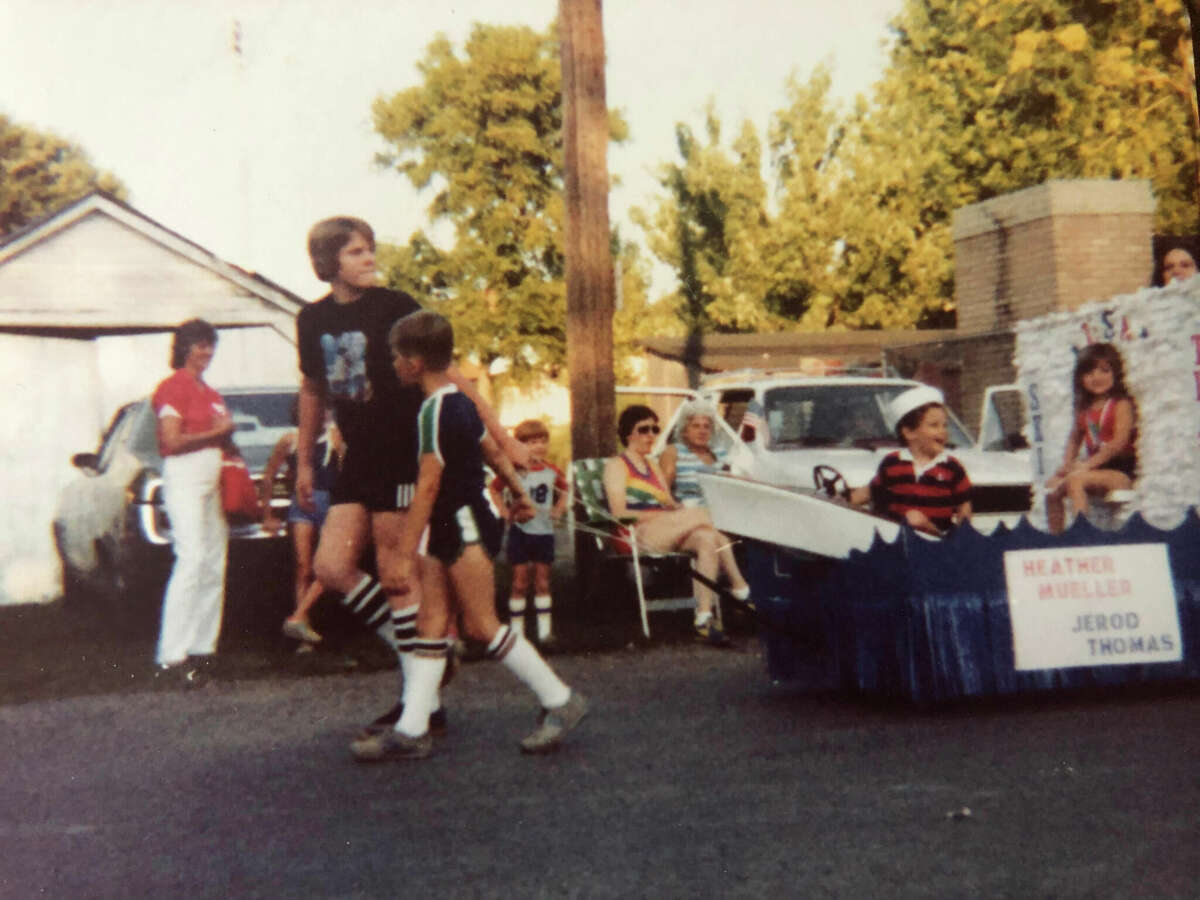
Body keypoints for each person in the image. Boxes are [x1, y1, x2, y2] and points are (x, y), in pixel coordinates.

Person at [295, 216, 528, 741]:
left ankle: (418, 701)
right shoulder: (311, 320)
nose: (369, 259)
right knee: (330, 567)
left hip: (404, 452)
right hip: (356, 457)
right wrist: (306, 462)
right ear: (329, 261)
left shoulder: (395, 306)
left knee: (397, 575)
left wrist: (502, 433)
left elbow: (449, 375)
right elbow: (313, 389)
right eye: (356, 252)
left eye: (370, 249)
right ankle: (428, 659)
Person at [351, 310, 587, 761]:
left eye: (397, 357)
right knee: (431, 624)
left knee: (481, 624)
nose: (394, 365)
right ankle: (412, 728)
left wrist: (402, 554)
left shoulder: (432, 411)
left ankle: (560, 699)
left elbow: (428, 486)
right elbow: (490, 449)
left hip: (461, 526)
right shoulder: (459, 400)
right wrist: (518, 492)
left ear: (416, 362)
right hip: (451, 526)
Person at [603, 404, 751, 646]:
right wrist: (665, 514)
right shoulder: (617, 466)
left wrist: (676, 510)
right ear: (629, 434)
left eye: (654, 429)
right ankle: (741, 588)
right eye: (644, 429)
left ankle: (703, 617)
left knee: (707, 537)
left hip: (664, 529)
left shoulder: (651, 466)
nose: (651, 435)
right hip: (635, 534)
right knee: (704, 516)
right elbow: (619, 513)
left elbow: (668, 502)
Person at [151, 318, 235, 684]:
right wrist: (217, 432)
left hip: (211, 477)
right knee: (191, 558)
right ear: (184, 347)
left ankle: (204, 646)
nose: (207, 352)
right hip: (184, 474)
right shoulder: (172, 387)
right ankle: (172, 654)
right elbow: (172, 440)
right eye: (201, 344)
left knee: (215, 561)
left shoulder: (211, 392)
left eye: (211, 345)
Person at [259, 399, 345, 647]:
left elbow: (345, 471)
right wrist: (267, 515)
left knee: (330, 565)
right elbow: (269, 476)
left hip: (330, 505)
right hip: (301, 505)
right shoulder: (290, 440)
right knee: (303, 567)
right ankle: (303, 630)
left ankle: (298, 616)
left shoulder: (333, 437)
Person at [848, 385, 973, 536]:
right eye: (934, 425)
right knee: (911, 519)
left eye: (945, 425)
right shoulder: (892, 463)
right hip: (899, 541)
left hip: (937, 543)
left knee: (915, 519)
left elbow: (964, 508)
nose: (943, 431)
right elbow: (869, 492)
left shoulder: (952, 467)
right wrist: (842, 499)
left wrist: (961, 540)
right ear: (909, 433)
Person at [488, 419, 567, 646]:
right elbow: (493, 489)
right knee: (519, 582)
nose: (539, 446)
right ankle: (517, 634)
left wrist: (558, 509)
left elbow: (564, 491)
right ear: (520, 445)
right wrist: (503, 511)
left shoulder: (552, 470)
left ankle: (544, 632)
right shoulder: (513, 469)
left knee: (542, 582)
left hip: (544, 532)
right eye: (532, 442)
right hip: (521, 532)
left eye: (543, 441)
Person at [1045, 343, 1138, 534]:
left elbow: (1118, 443)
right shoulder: (1084, 410)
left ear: (1116, 372)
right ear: (1080, 378)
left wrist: (1086, 465)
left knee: (1075, 481)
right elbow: (1074, 439)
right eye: (1089, 373)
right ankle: (1057, 539)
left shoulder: (1121, 404)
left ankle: (1082, 535)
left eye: (1104, 370)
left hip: (1121, 473)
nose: (1097, 377)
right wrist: (1067, 465)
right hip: (1095, 470)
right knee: (1052, 490)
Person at [657, 398, 728, 507]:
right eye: (696, 426)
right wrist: (678, 509)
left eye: (707, 426)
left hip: (723, 513)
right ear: (684, 431)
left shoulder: (720, 452)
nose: (702, 431)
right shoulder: (674, 452)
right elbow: (661, 494)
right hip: (690, 515)